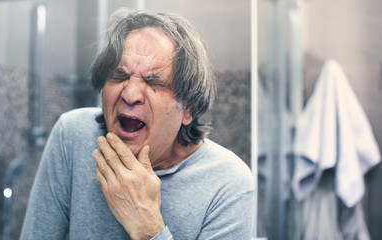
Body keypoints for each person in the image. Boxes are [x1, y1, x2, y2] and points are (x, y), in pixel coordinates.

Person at [21, 8, 255, 240]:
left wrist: (148, 227)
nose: (130, 94)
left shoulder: (229, 184)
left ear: (188, 110)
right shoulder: (71, 136)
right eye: (120, 75)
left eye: (154, 81)